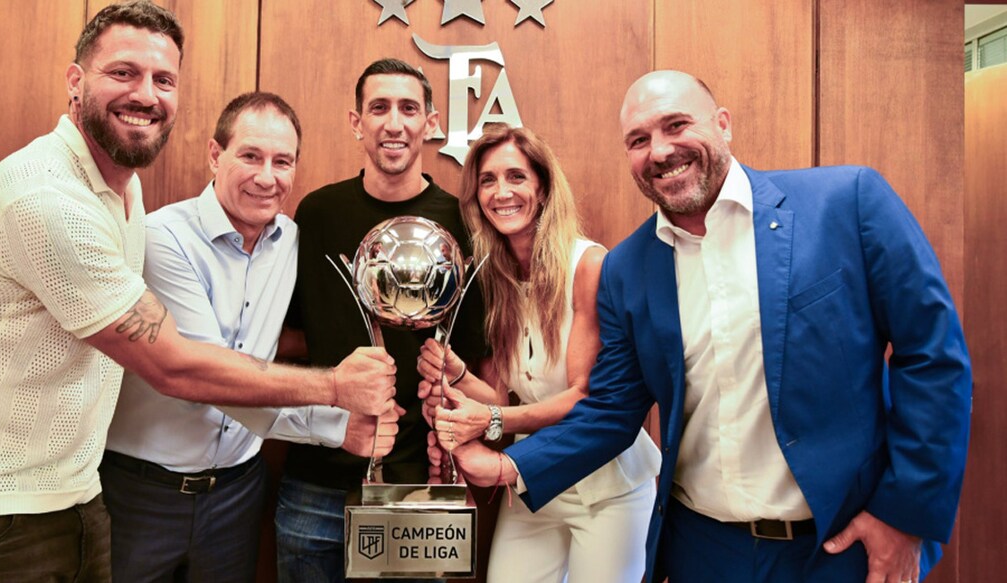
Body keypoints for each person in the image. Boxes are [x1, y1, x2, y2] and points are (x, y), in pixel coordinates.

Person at [0, 3, 396, 581]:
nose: (146, 94)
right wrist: (335, 391)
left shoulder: (123, 194)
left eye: (164, 80)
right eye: (123, 72)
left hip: (76, 497)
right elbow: (177, 367)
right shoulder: (49, 201)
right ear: (75, 81)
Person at [437, 70, 971, 583]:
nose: (661, 150)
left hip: (838, 547)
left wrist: (905, 515)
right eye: (639, 139)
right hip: (703, 551)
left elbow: (932, 356)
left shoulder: (845, 202)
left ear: (723, 123)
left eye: (676, 125)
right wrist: (505, 468)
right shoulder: (630, 267)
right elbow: (611, 411)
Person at [100, 92, 403, 583]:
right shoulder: (163, 239)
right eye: (250, 156)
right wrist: (334, 423)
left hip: (238, 493)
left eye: (282, 161)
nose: (267, 177)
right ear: (215, 155)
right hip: (143, 492)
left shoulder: (294, 243)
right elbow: (207, 375)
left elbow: (284, 338)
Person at [416, 123, 662, 582]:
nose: (500, 192)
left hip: (607, 488)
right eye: (487, 180)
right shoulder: (494, 279)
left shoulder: (588, 265)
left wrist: (490, 423)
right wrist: (458, 373)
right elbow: (502, 397)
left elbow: (583, 397)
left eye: (516, 177)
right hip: (535, 482)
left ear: (544, 189)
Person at [275, 58, 486, 583]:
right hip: (315, 480)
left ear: (431, 123)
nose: (394, 123)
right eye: (379, 108)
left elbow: (479, 354)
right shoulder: (317, 213)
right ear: (356, 122)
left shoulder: (462, 221)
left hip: (420, 480)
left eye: (409, 108)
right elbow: (292, 335)